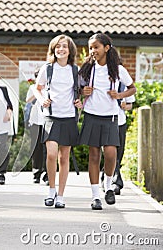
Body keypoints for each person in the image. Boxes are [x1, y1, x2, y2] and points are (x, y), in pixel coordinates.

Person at [79, 33, 136, 210]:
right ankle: (95, 196)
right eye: (91, 48)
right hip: (92, 115)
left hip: (111, 117)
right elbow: (77, 89)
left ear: (106, 48)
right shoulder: (87, 68)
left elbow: (132, 88)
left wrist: (119, 95)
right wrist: (83, 91)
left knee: (111, 155)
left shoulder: (118, 70)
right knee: (94, 156)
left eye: (96, 47)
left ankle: (108, 185)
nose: (93, 51)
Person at [33, 34, 82, 209]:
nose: (61, 49)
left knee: (64, 158)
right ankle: (51, 191)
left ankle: (61, 196)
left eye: (64, 46)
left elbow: (81, 91)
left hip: (68, 117)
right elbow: (37, 89)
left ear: (70, 51)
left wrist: (80, 101)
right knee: (52, 154)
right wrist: (42, 100)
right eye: (58, 46)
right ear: (53, 50)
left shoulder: (75, 70)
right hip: (51, 117)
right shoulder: (48, 69)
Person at [25, 71, 48, 184]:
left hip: (47, 120)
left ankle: (47, 173)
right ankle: (36, 173)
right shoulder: (33, 87)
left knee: (48, 147)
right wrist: (37, 92)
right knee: (36, 147)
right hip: (35, 120)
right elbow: (27, 100)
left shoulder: (50, 87)